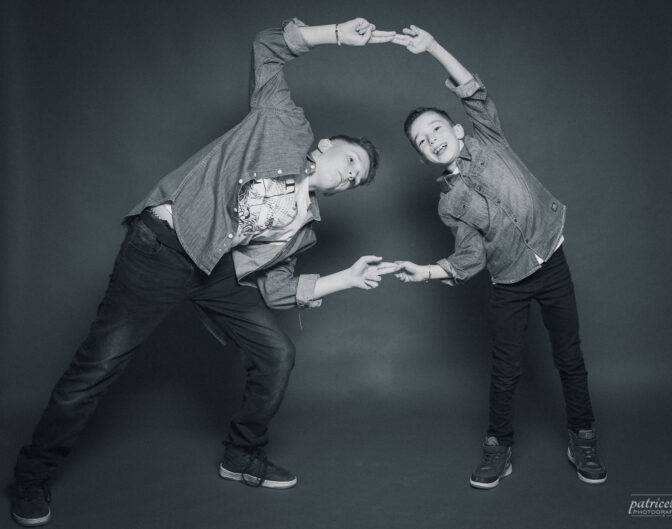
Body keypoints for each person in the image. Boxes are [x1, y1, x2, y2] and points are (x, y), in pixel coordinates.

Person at [11, 17, 399, 527]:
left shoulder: (304, 227)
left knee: (276, 353)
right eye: (350, 161)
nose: (349, 175)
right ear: (326, 145)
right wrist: (337, 34)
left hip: (214, 271)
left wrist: (346, 278)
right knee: (99, 366)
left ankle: (241, 454)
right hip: (161, 251)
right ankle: (32, 476)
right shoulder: (283, 123)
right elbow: (267, 46)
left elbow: (279, 290)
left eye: (356, 179)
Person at [391, 25, 607, 489]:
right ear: (424, 157)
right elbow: (469, 256)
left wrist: (432, 47)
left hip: (552, 262)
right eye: (422, 141)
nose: (432, 139)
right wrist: (426, 272)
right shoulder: (449, 204)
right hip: (508, 282)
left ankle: (583, 436)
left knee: (569, 358)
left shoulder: (488, 137)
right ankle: (498, 446)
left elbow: (472, 89)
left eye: (435, 128)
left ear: (456, 130)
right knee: (506, 371)